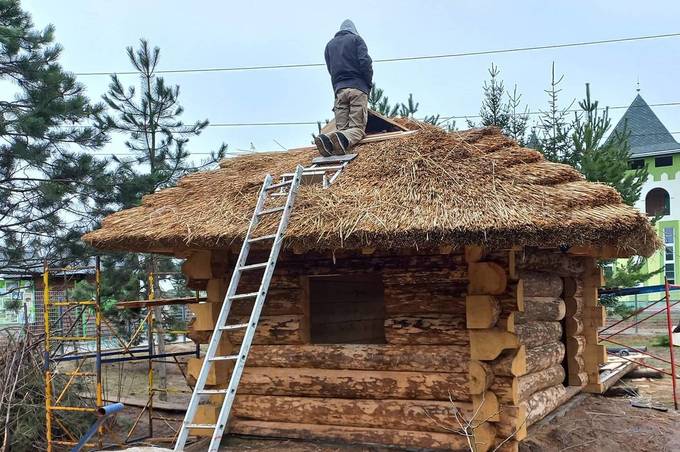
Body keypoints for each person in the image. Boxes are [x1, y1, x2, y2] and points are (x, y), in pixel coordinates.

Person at [315, 19, 373, 156]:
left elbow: (331, 70)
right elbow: (365, 63)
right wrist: (367, 84)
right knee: (357, 129)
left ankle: (327, 139)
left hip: (340, 91)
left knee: (342, 128)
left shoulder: (329, 46)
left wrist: (337, 89)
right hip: (358, 88)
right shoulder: (357, 40)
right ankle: (342, 139)